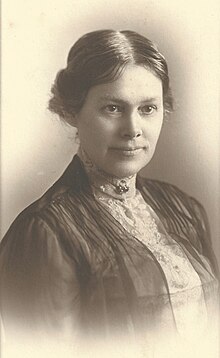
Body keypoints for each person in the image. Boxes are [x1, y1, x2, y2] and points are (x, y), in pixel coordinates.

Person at [0, 29, 219, 358]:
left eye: (148, 109)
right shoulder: (45, 232)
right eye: (113, 108)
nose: (133, 129)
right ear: (74, 112)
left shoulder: (183, 209)